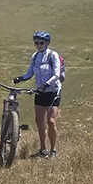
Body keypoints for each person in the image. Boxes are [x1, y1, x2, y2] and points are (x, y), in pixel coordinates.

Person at [13, 30, 62, 158]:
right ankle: (43, 149)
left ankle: (53, 150)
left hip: (52, 92)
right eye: (36, 43)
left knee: (51, 121)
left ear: (47, 43)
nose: (38, 45)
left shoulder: (53, 55)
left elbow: (56, 74)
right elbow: (30, 73)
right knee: (40, 122)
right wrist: (20, 78)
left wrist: (46, 84)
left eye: (41, 43)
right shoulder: (35, 56)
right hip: (39, 92)